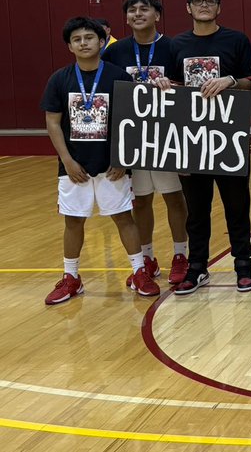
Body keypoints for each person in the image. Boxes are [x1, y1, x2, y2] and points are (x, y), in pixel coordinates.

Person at [42, 16, 158, 304]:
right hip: (74, 166)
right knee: (73, 221)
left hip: (112, 166)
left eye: (89, 38)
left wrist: (123, 158)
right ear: (70, 46)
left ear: (101, 41)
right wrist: (67, 160)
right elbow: (53, 123)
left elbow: (133, 120)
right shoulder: (59, 79)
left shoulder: (118, 76)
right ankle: (71, 278)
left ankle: (139, 272)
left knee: (123, 218)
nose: (84, 43)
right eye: (77, 39)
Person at [155, 0, 251, 294]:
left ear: (219, 7)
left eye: (210, 0)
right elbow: (171, 85)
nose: (203, 4)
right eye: (197, 0)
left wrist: (230, 80)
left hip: (227, 137)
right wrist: (162, 83)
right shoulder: (176, 44)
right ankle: (197, 267)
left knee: (237, 206)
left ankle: (243, 266)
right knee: (196, 210)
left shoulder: (236, 40)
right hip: (191, 139)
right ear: (187, 7)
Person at [101, 0, 189, 285]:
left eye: (145, 9)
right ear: (126, 18)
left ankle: (180, 254)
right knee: (141, 201)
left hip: (166, 135)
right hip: (132, 138)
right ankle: (148, 258)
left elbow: (189, 89)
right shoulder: (115, 52)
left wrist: (173, 86)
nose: (138, 14)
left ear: (157, 16)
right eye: (132, 10)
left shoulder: (174, 47)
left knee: (173, 197)